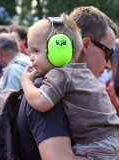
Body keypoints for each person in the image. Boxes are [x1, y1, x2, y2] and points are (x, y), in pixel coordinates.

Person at [17, 6, 119, 160]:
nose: (109, 65)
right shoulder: (48, 88)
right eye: (108, 53)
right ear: (85, 45)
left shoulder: (66, 87)